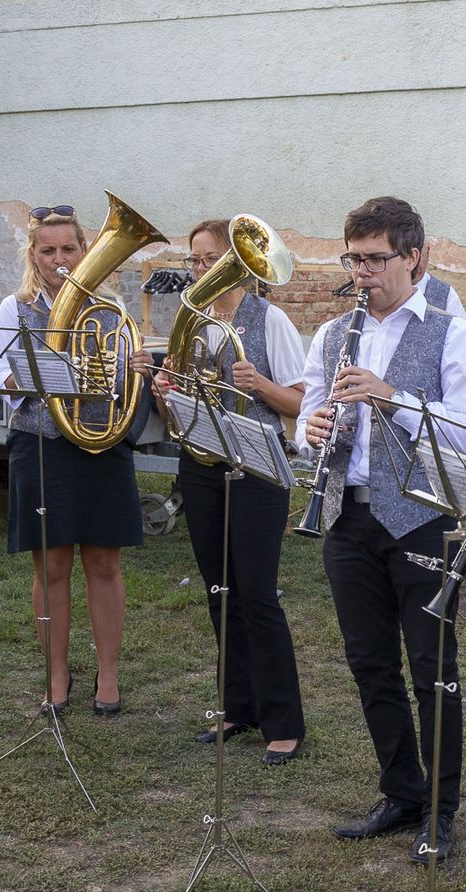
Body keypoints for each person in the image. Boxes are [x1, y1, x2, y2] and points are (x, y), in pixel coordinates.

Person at [300, 196, 466, 862]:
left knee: (432, 668)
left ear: (415, 256)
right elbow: (305, 413)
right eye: (354, 258)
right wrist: (313, 429)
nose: (363, 272)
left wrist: (393, 397)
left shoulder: (454, 333)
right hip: (348, 514)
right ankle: (400, 789)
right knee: (370, 663)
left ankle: (441, 809)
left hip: (422, 518)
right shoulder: (331, 335)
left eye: (377, 259)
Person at [148, 217, 308, 763]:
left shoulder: (272, 320)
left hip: (258, 471)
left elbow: (303, 400)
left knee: (258, 596)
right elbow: (174, 411)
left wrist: (259, 384)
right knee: (219, 593)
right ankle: (240, 706)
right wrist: (164, 391)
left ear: (237, 263)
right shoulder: (193, 323)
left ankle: (284, 721)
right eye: (194, 260)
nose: (200, 270)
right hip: (202, 467)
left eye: (209, 259)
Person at [0, 204, 144, 717]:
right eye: (47, 250)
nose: (59, 259)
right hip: (43, 444)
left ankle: (109, 673)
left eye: (68, 249)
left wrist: (134, 367)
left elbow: (122, 388)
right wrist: (30, 372)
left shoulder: (109, 307)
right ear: (32, 254)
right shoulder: (16, 308)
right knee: (51, 564)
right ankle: (56, 672)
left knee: (104, 561)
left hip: (100, 444)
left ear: (85, 250)